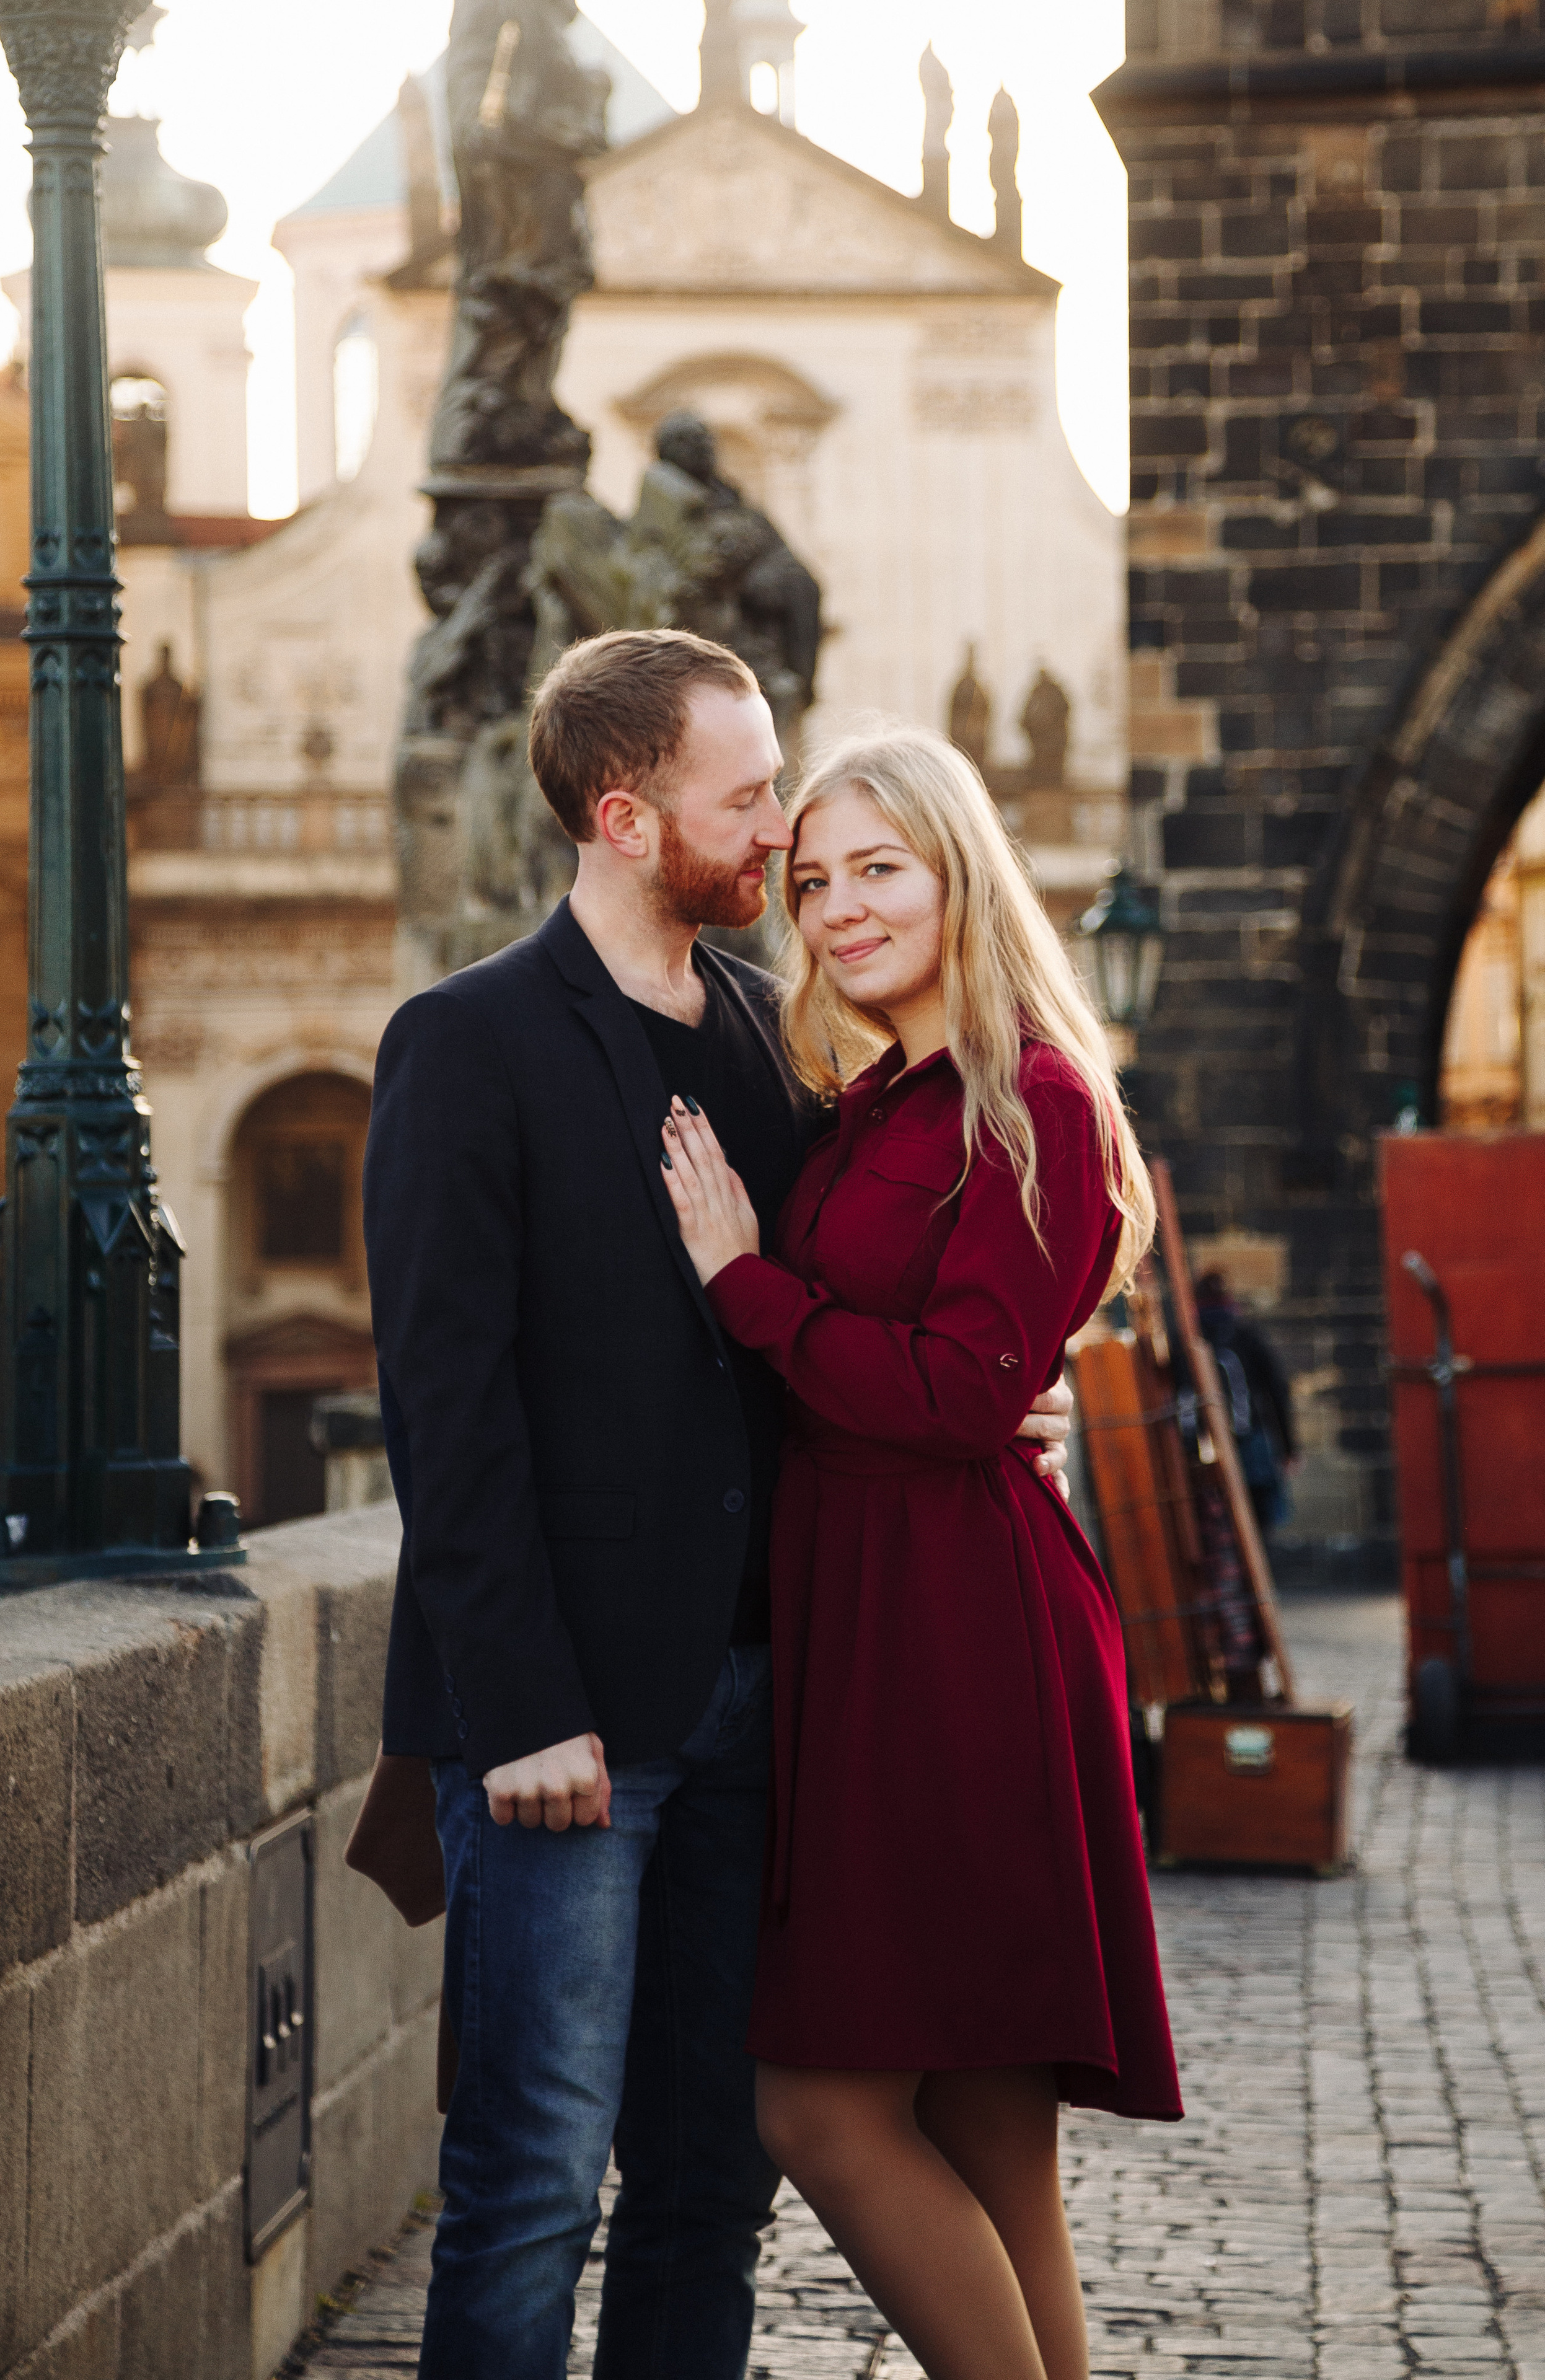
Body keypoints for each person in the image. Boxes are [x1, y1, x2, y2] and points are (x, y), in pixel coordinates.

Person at [361, 631, 1073, 2379]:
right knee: (530, 2186)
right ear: (624, 814)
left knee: (710, 2183)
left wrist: (990, 1409)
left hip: (775, 1708)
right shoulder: (466, 1042)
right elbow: (445, 1415)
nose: (780, 831)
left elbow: (844, 1325)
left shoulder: (782, 1040)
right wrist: (521, 1712)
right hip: (569, 1734)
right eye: (750, 797)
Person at [658, 723, 1184, 2380]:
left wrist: (748, 1286)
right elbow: (957, 1383)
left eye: (879, 868)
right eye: (812, 884)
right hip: (882, 1602)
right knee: (984, 2124)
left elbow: (964, 1390)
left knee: (821, 2101)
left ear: (962, 870)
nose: (838, 911)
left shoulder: (1028, 1095)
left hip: (956, 1634)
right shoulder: (883, 1098)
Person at [1195, 1269, 1298, 1536]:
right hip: (1252, 1443)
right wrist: (1288, 1447)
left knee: (1212, 1529)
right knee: (1259, 1526)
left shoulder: (1188, 1338)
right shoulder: (1246, 1334)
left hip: (1201, 1449)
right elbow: (1277, 1391)